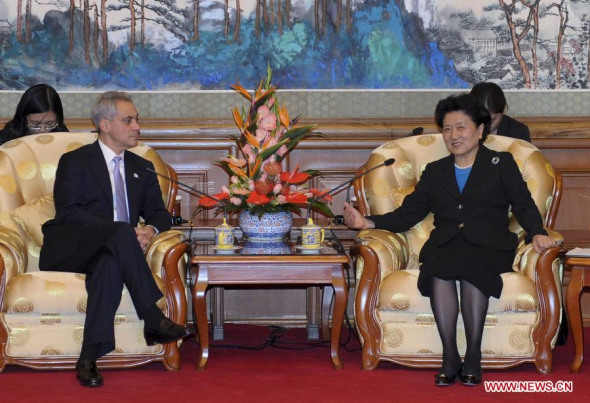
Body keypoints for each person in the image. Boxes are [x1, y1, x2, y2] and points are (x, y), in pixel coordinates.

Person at [342, 93, 555, 386]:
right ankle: (450, 357)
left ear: (480, 130)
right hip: (446, 243)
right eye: (447, 128)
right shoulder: (435, 171)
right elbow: (409, 213)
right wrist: (367, 222)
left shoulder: (502, 163)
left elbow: (523, 204)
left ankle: (474, 356)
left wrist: (537, 233)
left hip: (489, 244)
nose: (454, 135)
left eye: (461, 127)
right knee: (439, 267)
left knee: (472, 269)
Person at [39, 91, 192, 387]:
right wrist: (117, 230)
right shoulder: (75, 161)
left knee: (110, 265)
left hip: (112, 252)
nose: (137, 126)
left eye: (137, 120)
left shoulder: (142, 167)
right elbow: (68, 212)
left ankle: (87, 359)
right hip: (70, 248)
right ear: (105, 125)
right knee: (121, 229)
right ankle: (152, 316)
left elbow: (159, 214)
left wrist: (150, 231)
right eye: (129, 120)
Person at [0, 83, 69, 145]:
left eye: (49, 124)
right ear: (24, 118)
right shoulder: (6, 137)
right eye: (35, 124)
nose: (42, 130)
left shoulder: (63, 134)